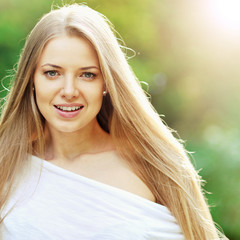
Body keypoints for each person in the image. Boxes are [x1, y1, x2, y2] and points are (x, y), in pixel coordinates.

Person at [0, 4, 226, 240]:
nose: (68, 91)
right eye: (52, 73)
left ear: (106, 82)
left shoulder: (156, 166)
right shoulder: (7, 165)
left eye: (87, 74)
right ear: (31, 79)